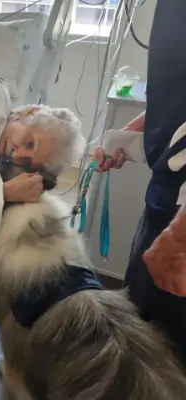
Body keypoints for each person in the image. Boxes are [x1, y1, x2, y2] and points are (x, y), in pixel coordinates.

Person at [94, 0, 186, 365]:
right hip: (167, 196)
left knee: (163, 355)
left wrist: (181, 234)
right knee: (139, 321)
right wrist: (147, 126)